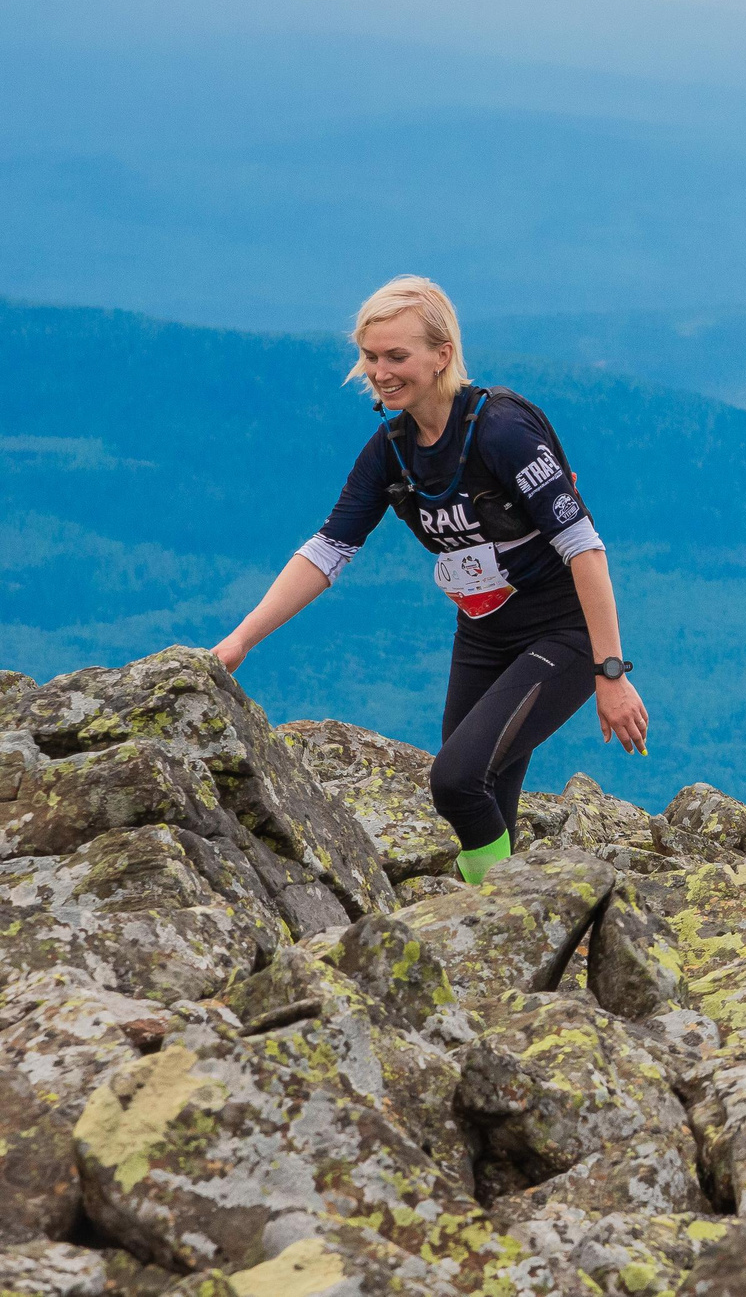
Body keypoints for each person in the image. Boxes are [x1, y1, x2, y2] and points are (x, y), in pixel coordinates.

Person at [213, 276, 648, 884]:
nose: (381, 372)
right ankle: (514, 927)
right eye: (371, 356)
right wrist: (240, 641)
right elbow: (328, 550)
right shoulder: (390, 449)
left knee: (455, 778)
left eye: (398, 356)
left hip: (564, 635)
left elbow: (585, 549)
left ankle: (509, 915)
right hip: (483, 634)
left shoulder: (502, 431)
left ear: (442, 355)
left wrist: (610, 673)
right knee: (479, 797)